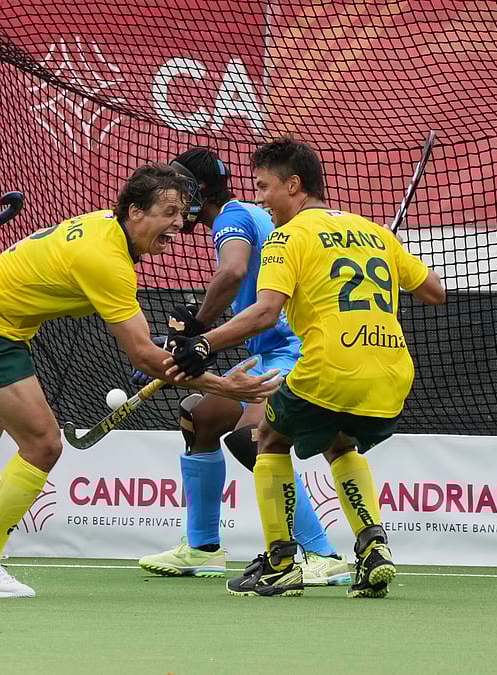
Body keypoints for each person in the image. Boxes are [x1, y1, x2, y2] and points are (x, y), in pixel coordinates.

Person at [0, 163, 282, 598]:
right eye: (168, 213)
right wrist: (226, 387)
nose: (178, 224)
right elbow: (143, 355)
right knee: (44, 445)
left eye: (182, 214)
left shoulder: (109, 232)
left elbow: (144, 348)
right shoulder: (107, 260)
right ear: (135, 212)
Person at [167, 138, 446, 598]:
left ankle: (281, 561)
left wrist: (201, 342)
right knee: (339, 442)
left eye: (265, 187)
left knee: (268, 439)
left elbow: (263, 313)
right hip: (392, 375)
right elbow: (435, 292)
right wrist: (389, 256)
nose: (259, 198)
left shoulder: (287, 237)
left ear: (293, 185)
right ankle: (373, 548)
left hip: (328, 367)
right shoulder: (375, 231)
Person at [134, 148, 351, 586]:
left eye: (178, 194)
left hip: (293, 346)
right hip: (271, 348)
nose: (174, 209)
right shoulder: (253, 214)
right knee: (200, 418)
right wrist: (187, 343)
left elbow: (232, 273)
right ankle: (203, 547)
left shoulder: (232, 217)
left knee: (251, 437)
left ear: (196, 192)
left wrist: (196, 333)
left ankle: (320, 553)